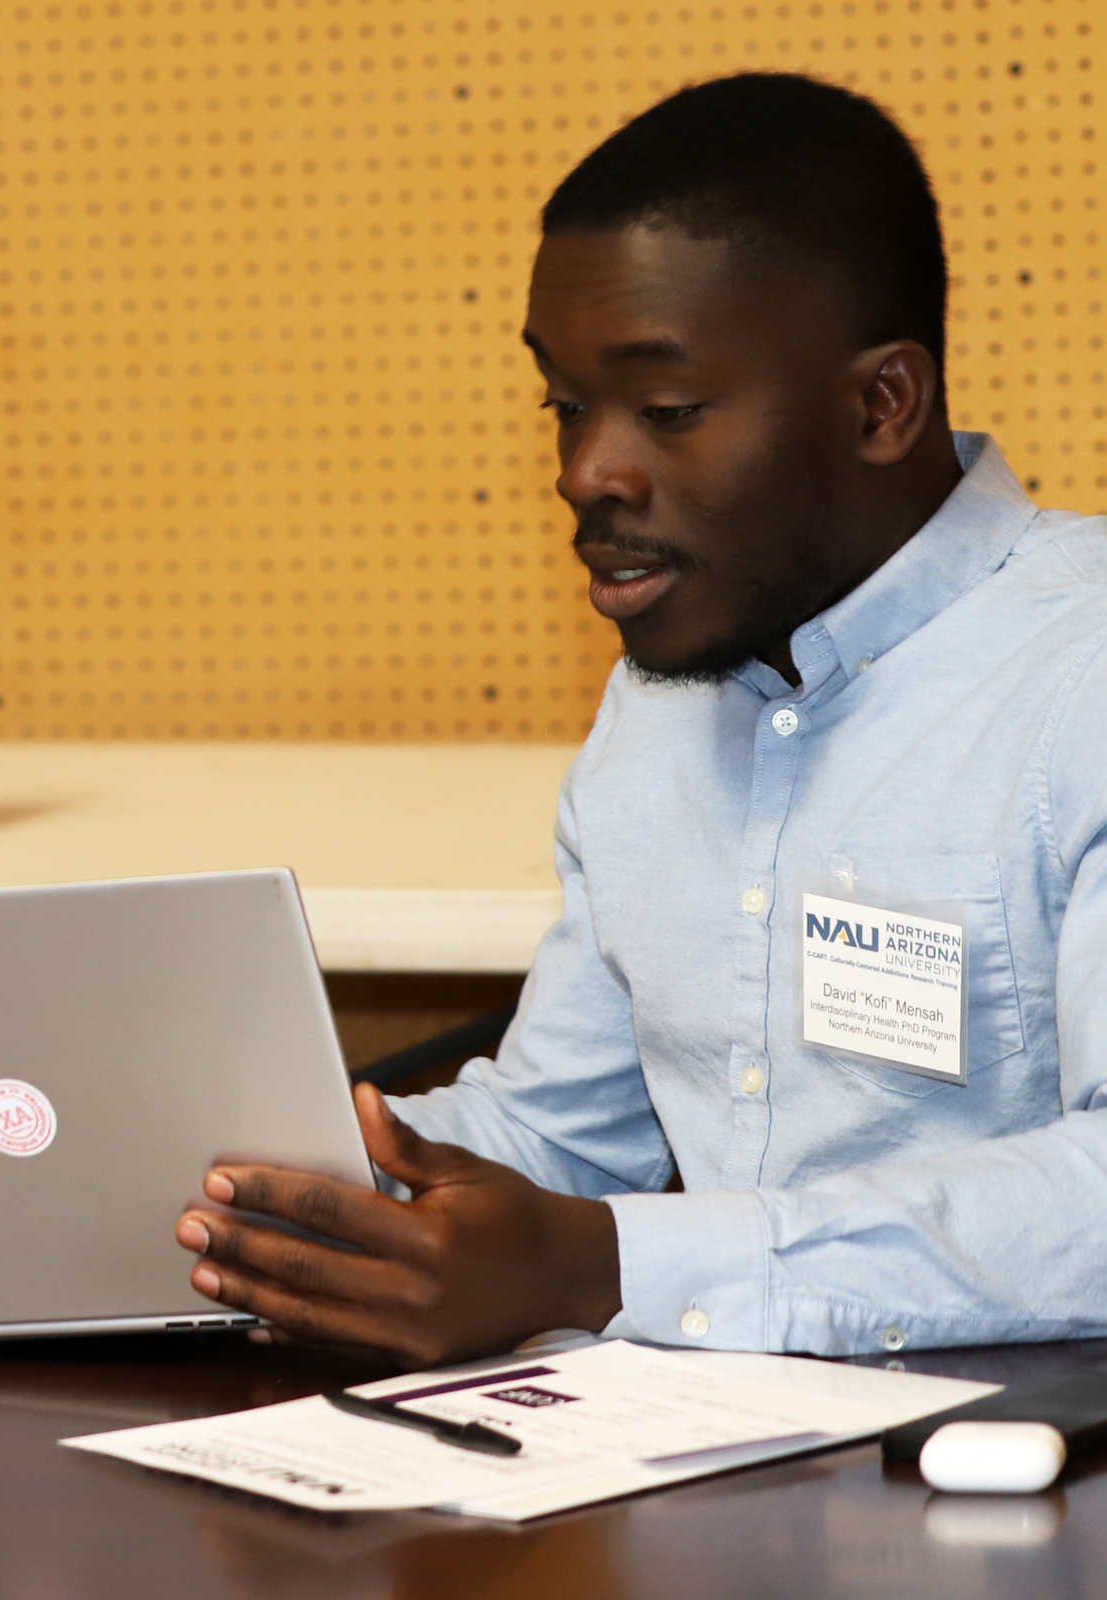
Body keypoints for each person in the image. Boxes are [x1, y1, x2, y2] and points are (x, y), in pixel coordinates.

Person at [175, 72, 1107, 1360]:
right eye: (565, 405)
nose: (585, 471)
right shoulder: (662, 694)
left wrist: (610, 1263)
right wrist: (272, 1197)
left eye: (665, 412)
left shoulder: (1080, 678)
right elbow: (562, 1137)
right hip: (707, 1466)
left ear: (881, 405)